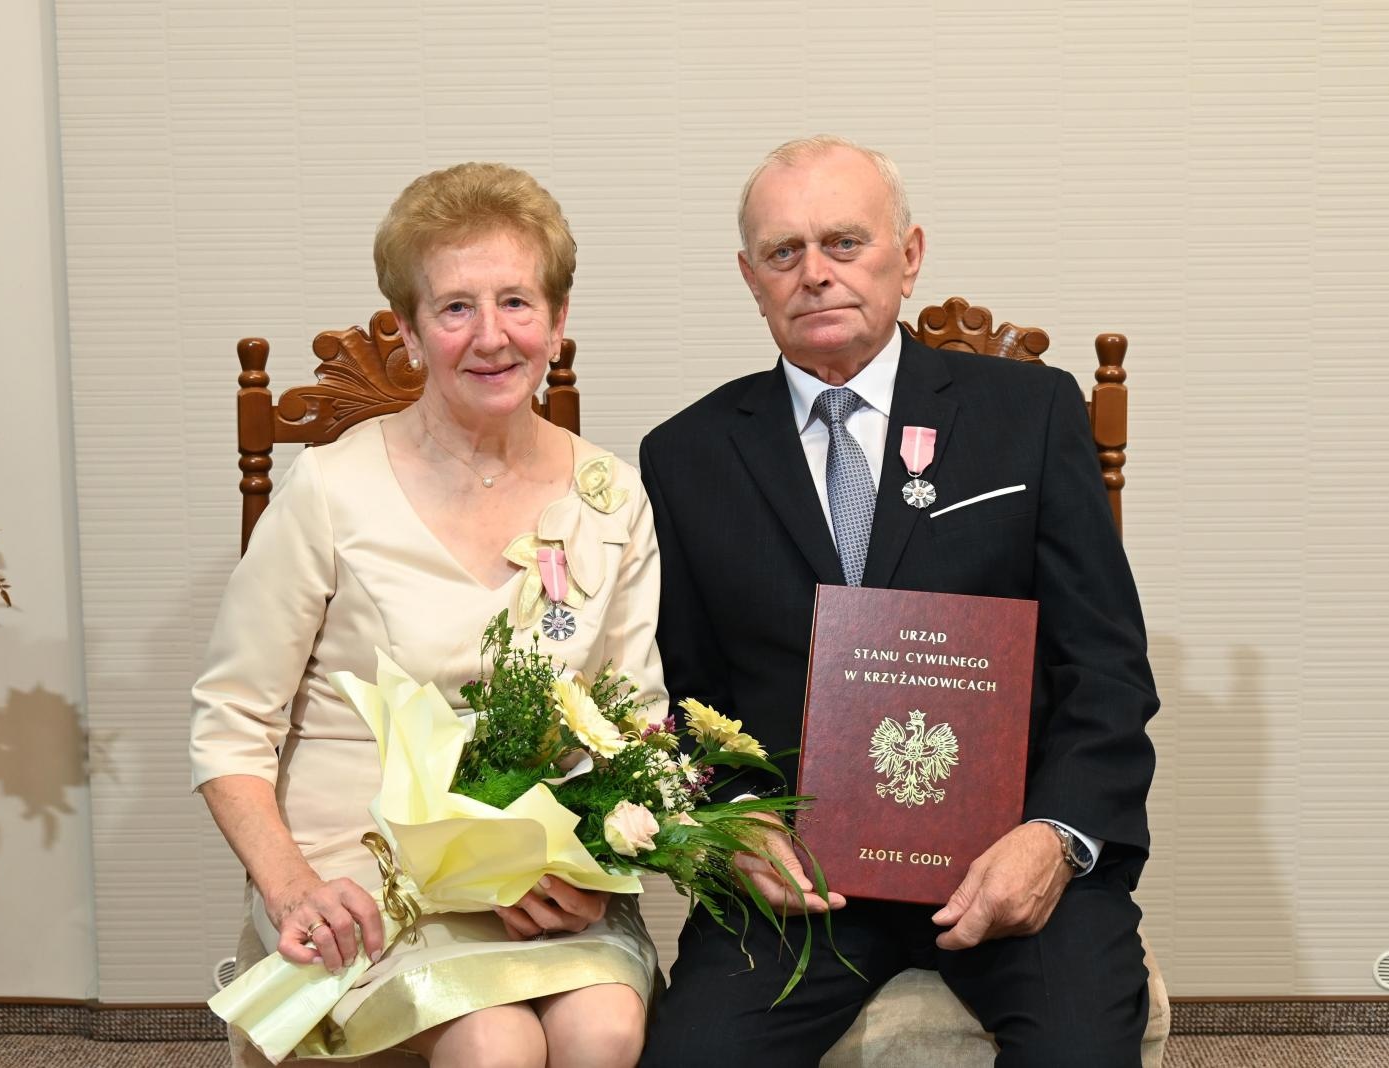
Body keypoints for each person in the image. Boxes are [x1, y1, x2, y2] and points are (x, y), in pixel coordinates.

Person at [637, 136, 1158, 1067]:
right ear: (750, 278)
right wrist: (738, 823)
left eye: (845, 243)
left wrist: (1055, 836)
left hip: (1010, 852)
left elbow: (1107, 668)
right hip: (799, 880)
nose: (815, 275)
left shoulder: (1030, 415)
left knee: (1081, 1050)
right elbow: (680, 696)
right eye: (784, 253)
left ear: (908, 256)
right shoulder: (685, 457)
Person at [191, 162, 662, 1068]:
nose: (492, 337)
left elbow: (634, 721)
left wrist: (584, 866)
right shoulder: (329, 488)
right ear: (408, 333)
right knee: (497, 1043)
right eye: (454, 309)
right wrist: (292, 889)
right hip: (363, 870)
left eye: (519, 303)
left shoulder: (612, 497)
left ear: (559, 325)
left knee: (601, 1030)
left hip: (543, 870)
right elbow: (229, 724)